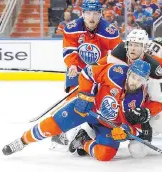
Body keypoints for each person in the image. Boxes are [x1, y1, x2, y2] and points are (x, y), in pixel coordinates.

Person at [75, 29, 162, 159]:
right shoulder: (120, 52)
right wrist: (93, 69)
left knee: (140, 149)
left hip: (137, 107)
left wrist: (146, 113)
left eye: (137, 45)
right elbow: (99, 67)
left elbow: (159, 103)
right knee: (91, 99)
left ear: (145, 48)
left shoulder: (153, 70)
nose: (132, 48)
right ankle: (87, 131)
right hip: (116, 101)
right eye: (131, 44)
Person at [2, 60, 153, 162]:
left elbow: (138, 129)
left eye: (140, 80)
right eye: (133, 77)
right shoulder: (115, 71)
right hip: (88, 109)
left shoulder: (140, 99)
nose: (135, 82)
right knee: (53, 125)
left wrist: (125, 131)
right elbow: (88, 73)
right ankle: (22, 141)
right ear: (129, 73)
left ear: (145, 81)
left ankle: (83, 141)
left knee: (105, 155)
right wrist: (85, 95)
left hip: (107, 125)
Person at [52, 0, 122, 146]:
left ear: (100, 14)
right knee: (74, 100)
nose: (92, 17)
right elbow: (69, 49)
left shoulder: (110, 31)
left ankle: (85, 132)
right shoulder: (72, 28)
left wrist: (99, 71)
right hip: (78, 70)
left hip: (100, 72)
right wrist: (72, 65)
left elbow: (116, 56)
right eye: (88, 13)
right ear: (82, 14)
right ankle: (61, 130)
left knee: (98, 104)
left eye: (96, 13)